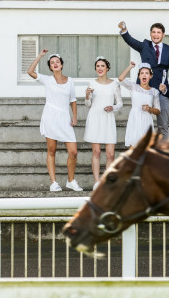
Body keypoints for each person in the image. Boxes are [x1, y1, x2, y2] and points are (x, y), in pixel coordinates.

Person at [26, 50, 82, 192]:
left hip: (65, 118)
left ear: (61, 65)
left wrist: (74, 116)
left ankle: (70, 181)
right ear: (50, 67)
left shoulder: (70, 81)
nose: (55, 64)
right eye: (52, 63)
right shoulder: (47, 79)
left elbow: (73, 100)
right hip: (50, 116)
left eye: (57, 62)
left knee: (73, 152)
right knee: (52, 150)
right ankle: (53, 182)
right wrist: (40, 56)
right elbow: (30, 71)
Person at [118, 21, 169, 138]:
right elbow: (130, 40)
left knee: (163, 125)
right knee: (140, 122)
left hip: (162, 91)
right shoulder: (144, 46)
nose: (156, 35)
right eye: (154, 32)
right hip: (144, 90)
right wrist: (124, 29)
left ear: (163, 34)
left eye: (159, 32)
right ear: (150, 34)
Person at [84, 57, 124, 190]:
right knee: (96, 152)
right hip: (95, 118)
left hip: (108, 119)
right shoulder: (91, 83)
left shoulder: (115, 84)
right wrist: (87, 96)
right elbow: (88, 105)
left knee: (110, 154)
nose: (100, 68)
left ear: (107, 68)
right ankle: (96, 181)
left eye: (102, 66)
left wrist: (113, 107)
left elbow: (120, 103)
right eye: (97, 66)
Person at [118, 63, 161, 148]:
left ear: (150, 76)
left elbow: (158, 111)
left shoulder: (154, 91)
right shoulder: (133, 87)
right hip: (135, 120)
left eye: (147, 73)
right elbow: (120, 79)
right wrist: (130, 67)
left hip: (146, 121)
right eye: (142, 73)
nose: (144, 75)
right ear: (139, 76)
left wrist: (149, 109)